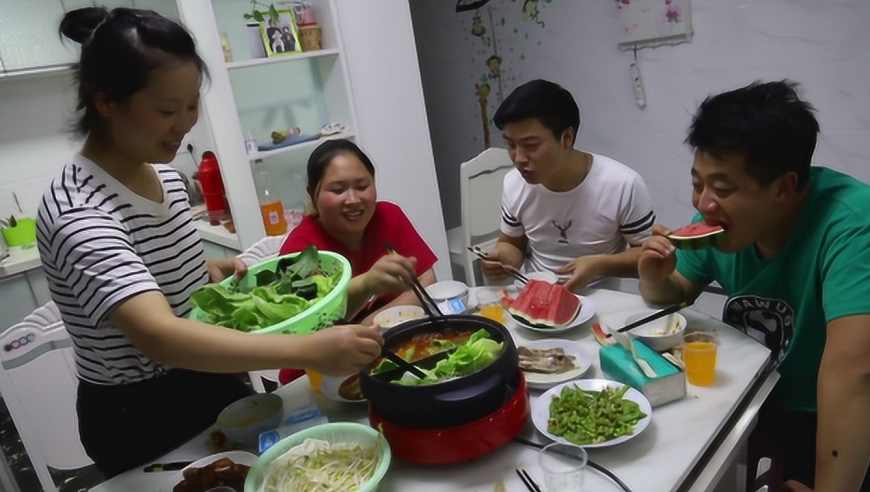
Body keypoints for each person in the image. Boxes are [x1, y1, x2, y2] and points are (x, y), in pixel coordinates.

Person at [39, 7, 382, 477]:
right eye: (165, 110)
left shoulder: (164, 175)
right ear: (105, 101)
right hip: (138, 414)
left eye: (191, 105)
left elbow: (148, 266)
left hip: (213, 378)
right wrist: (308, 347)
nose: (184, 124)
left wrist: (201, 268)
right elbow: (159, 336)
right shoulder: (77, 211)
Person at [638, 80, 870, 491]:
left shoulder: (853, 226)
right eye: (697, 183)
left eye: (722, 189)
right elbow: (676, 292)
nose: (703, 204)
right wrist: (655, 278)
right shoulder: (725, 222)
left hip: (823, 411)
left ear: (783, 187)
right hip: (749, 393)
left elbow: (854, 375)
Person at [481, 79, 656, 292]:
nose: (518, 158)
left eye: (530, 146)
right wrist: (502, 258)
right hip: (535, 294)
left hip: (599, 299)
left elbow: (649, 256)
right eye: (510, 144)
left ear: (566, 138)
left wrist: (599, 265)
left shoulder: (622, 185)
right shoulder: (513, 183)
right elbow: (512, 243)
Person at [277, 139, 438, 325]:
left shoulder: (389, 216)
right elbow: (311, 326)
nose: (353, 200)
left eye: (362, 187)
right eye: (338, 190)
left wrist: (373, 324)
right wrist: (367, 289)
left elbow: (427, 278)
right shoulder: (301, 251)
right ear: (312, 193)